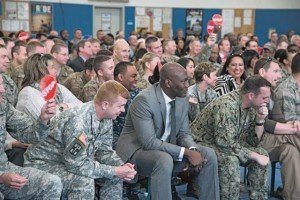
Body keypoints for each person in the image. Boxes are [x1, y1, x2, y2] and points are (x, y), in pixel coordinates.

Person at [116, 63, 220, 200]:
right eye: (183, 81)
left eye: (187, 80)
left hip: (167, 149)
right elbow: (149, 142)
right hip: (137, 152)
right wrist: (186, 153)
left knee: (208, 154)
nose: (187, 85)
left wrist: (193, 149)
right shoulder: (145, 100)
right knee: (163, 160)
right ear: (168, 83)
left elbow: (184, 133)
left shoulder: (183, 97)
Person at [24, 80, 137, 199]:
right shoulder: (78, 121)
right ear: (105, 105)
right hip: (44, 164)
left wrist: (122, 167)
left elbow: (104, 151)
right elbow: (76, 165)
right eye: (120, 106)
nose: (123, 110)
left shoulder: (106, 118)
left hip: (67, 162)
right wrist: (115, 170)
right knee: (83, 182)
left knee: (114, 176)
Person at [192, 75, 272, 200]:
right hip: (202, 143)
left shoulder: (252, 106)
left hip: (224, 143)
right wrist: (255, 156)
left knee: (262, 153)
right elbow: (225, 145)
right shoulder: (227, 106)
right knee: (231, 160)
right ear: (251, 95)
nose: (267, 101)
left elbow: (254, 142)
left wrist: (260, 120)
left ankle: (258, 197)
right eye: (264, 98)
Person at [0, 74, 62, 199]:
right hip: (2, 175)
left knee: (52, 183)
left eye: (1, 84)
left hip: (4, 167)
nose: (2, 89)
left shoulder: (3, 107)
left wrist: (43, 120)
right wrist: (1, 177)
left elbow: (28, 133)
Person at [253, 56, 300, 200]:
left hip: (268, 141)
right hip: (250, 141)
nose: (280, 76)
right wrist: (293, 128)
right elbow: (264, 123)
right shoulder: (252, 90)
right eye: (276, 71)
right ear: (262, 72)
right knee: (293, 133)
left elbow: (279, 119)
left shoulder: (271, 92)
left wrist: (293, 125)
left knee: (289, 150)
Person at [16, 53, 82, 121]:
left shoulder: (58, 87)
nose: (56, 71)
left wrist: (64, 106)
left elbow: (81, 106)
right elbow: (50, 120)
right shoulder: (28, 93)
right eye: (52, 67)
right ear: (42, 70)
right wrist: (62, 107)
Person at [113, 61, 139, 149]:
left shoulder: (137, 92)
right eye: (133, 76)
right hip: (119, 144)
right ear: (121, 77)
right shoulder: (110, 95)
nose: (136, 79)